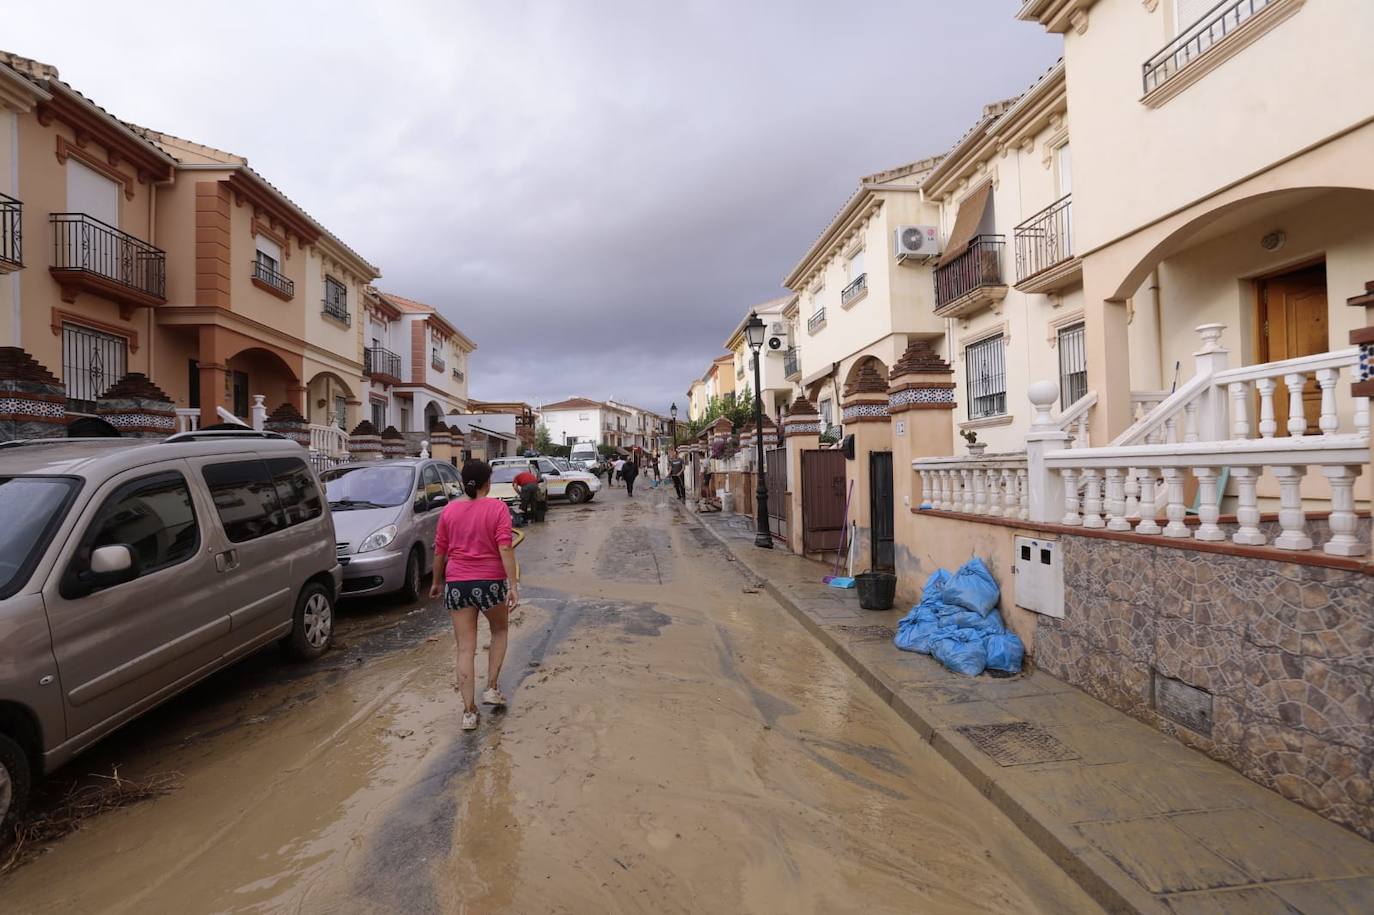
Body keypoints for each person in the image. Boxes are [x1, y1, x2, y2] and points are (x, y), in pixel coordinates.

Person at [429, 459, 519, 732]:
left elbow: (440, 552)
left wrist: (436, 582)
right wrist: (513, 585)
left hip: (457, 584)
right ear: (487, 482)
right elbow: (505, 548)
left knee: (465, 648)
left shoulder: (450, 511)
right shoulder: (497, 507)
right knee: (500, 631)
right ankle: (491, 688)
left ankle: (468, 713)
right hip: (490, 582)